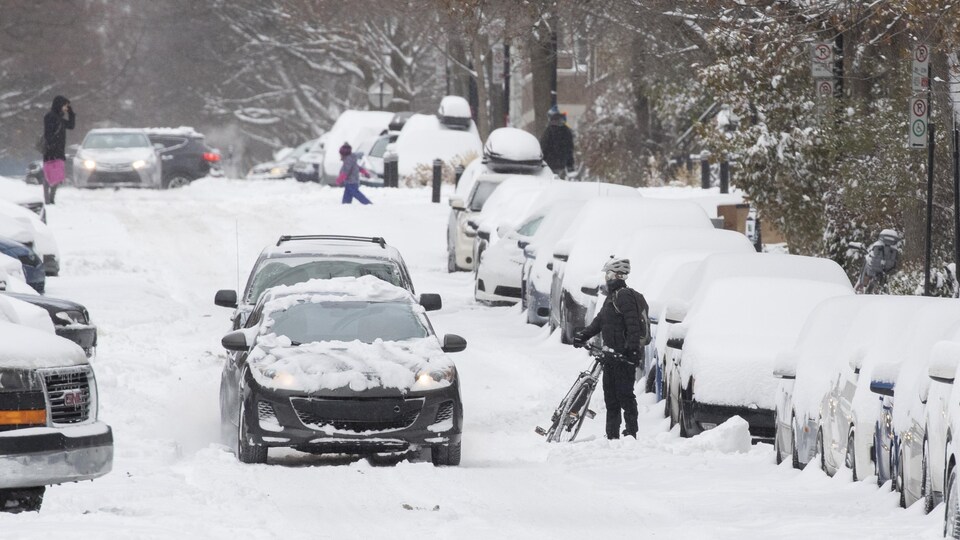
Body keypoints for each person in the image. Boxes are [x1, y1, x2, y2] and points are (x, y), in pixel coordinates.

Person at [572, 257, 649, 439]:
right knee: (611, 399)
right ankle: (612, 436)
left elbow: (633, 326)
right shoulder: (611, 298)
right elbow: (599, 322)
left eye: (608, 274)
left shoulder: (625, 296)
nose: (606, 278)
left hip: (624, 358)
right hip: (610, 356)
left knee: (625, 397)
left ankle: (631, 434)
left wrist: (632, 352)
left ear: (616, 275)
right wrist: (583, 335)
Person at [42, 95, 75, 204]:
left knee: (57, 174)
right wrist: (51, 148)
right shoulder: (50, 116)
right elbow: (48, 134)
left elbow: (71, 125)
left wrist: (70, 112)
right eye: (65, 106)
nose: (66, 108)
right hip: (51, 151)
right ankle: (48, 199)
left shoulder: (59, 118)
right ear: (59, 105)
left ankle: (51, 198)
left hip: (59, 151)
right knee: (48, 174)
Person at [539, 106, 575, 178]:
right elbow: (569, 150)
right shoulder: (567, 131)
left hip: (549, 166)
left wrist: (541, 163)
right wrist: (570, 166)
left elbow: (543, 148)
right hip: (562, 166)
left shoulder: (549, 131)